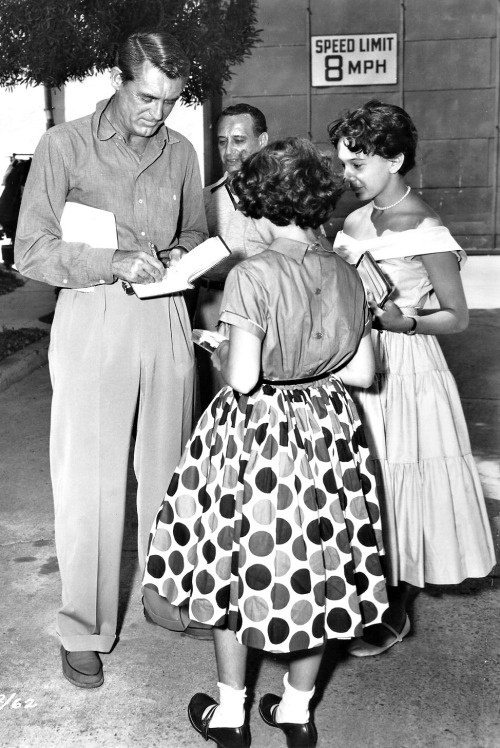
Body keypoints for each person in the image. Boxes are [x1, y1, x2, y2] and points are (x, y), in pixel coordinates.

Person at [142, 137, 389, 748]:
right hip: (329, 429)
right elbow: (362, 373)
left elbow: (245, 377)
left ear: (261, 205)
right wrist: (311, 359)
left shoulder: (254, 273)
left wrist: (218, 343)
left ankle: (229, 715)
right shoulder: (348, 270)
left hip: (257, 434)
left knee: (234, 562)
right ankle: (298, 711)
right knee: (320, 565)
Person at [14, 29, 207, 688]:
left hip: (168, 316)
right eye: (148, 98)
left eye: (171, 101)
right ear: (119, 80)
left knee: (171, 473)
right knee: (90, 485)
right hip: (94, 315)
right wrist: (110, 260)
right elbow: (31, 250)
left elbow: (194, 233)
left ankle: (165, 593)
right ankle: (84, 627)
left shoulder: (182, 151)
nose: (158, 113)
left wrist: (183, 256)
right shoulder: (64, 145)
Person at [328, 99, 496, 657]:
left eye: (358, 165)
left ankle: (394, 602)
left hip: (407, 369)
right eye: (344, 164)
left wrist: (407, 321)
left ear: (395, 159)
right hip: (354, 365)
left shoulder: (425, 227)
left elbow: (459, 316)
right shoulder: (354, 220)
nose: (346, 176)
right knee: (361, 481)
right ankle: (362, 590)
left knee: (398, 485)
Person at [194, 103, 269, 410]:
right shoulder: (203, 200)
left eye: (239, 140)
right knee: (215, 403)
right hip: (213, 307)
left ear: (262, 141)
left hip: (263, 309)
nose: (229, 151)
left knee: (262, 402)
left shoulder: (284, 198)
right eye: (223, 142)